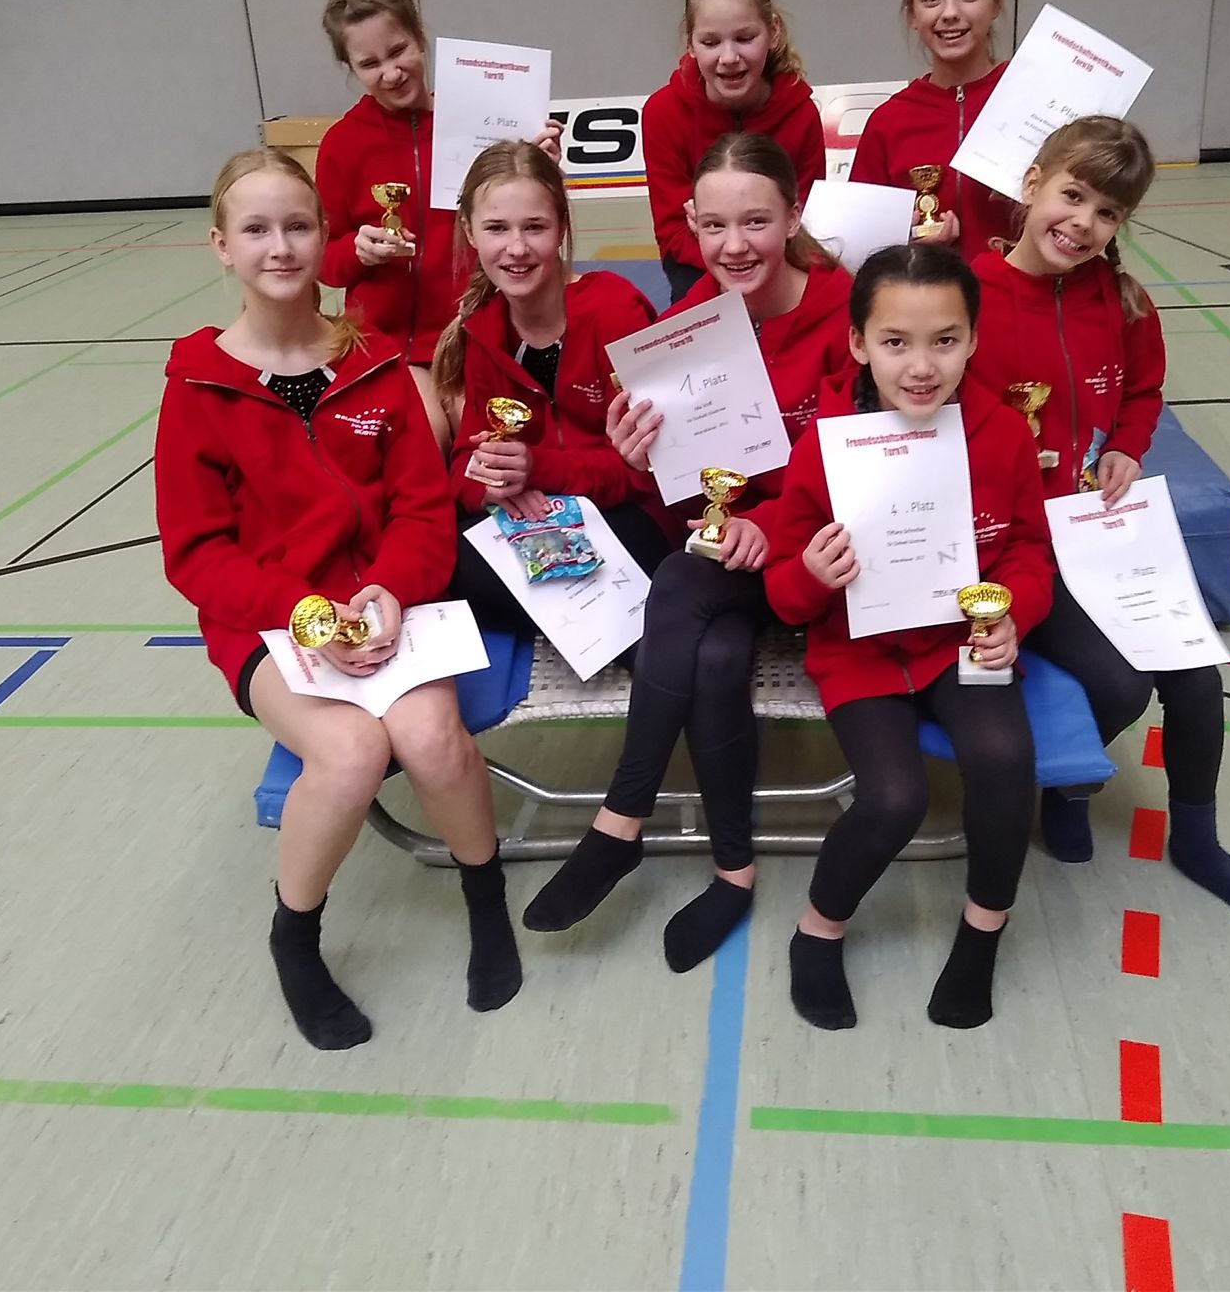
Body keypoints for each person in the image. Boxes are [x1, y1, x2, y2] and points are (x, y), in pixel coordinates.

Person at [155, 150, 523, 1051]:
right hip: (268, 620)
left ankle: (486, 897)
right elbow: (196, 553)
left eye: (297, 226)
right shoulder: (197, 387)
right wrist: (307, 616)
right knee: (352, 753)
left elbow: (423, 510)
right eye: (256, 230)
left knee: (433, 739)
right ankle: (295, 937)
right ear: (222, 246)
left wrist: (391, 588)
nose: (280, 247)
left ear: (327, 237)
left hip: (388, 602)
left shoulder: (374, 363)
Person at [521, 132, 854, 972]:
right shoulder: (685, 327)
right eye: (713, 226)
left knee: (676, 584)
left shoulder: (848, 314)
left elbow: (863, 471)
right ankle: (734, 873)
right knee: (711, 649)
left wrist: (771, 526)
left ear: (795, 216)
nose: (734, 245)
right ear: (689, 224)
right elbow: (688, 496)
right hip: (724, 565)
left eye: (756, 221)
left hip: (817, 561)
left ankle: (620, 820)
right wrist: (643, 461)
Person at [969, 116, 1230, 925]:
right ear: (1033, 184)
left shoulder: (1126, 302)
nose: (1083, 223)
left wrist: (1127, 449)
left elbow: (1142, 393)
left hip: (1101, 534)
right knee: (1118, 684)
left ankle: (1198, 840)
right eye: (1072, 195)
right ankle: (1069, 786)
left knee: (1198, 677)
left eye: (1107, 212)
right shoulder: (969, 295)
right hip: (1017, 549)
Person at [765, 242, 1052, 1030]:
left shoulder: (1002, 433)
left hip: (960, 643)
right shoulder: (825, 446)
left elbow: (1029, 550)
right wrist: (812, 575)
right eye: (896, 342)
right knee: (895, 797)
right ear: (859, 344)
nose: (921, 366)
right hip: (858, 652)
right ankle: (818, 927)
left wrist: (1013, 616)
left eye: (945, 340)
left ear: (974, 340)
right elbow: (784, 594)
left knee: (1006, 758)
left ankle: (983, 931)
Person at [432, 139, 676, 624]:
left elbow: (646, 471)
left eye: (535, 227)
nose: (516, 248)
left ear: (562, 227)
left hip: (622, 515)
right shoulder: (484, 329)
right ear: (469, 231)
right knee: (449, 560)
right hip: (538, 521)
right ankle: (592, 614)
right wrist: (493, 487)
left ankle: (602, 614)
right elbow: (463, 464)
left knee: (640, 553)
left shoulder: (615, 311)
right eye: (497, 228)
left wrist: (538, 468)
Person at [314, 0, 562, 444]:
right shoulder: (341, 145)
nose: (391, 73)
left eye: (398, 50)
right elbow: (324, 263)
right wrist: (356, 251)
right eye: (369, 63)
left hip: (478, 333)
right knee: (426, 434)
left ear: (421, 38)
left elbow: (525, 219)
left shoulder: (478, 123)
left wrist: (538, 167)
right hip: (388, 345)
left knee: (491, 436)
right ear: (349, 66)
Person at [641, 0, 826, 305]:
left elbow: (808, 223)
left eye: (744, 38)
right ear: (690, 42)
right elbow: (674, 234)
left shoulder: (801, 114)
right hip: (700, 275)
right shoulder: (662, 114)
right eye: (711, 42)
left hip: (783, 272)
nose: (728, 57)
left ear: (773, 32)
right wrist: (733, 266)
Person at [849, 0, 1015, 260]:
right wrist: (905, 246)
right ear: (912, 12)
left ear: (997, 1)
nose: (950, 12)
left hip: (1021, 295)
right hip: (924, 295)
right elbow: (860, 255)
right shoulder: (888, 123)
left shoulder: (1035, 99)